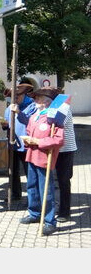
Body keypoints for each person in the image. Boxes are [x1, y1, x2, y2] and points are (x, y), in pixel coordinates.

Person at [14, 88, 64, 235]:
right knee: (32, 186)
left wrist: (38, 141)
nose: (34, 101)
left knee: (46, 191)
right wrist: (28, 139)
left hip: (44, 158)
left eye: (37, 98)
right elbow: (29, 130)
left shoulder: (55, 117)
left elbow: (58, 139)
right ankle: (34, 213)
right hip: (31, 155)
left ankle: (49, 221)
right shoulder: (36, 115)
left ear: (46, 102)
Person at [1, 83, 37, 201]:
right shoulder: (9, 107)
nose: (14, 99)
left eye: (17, 97)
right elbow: (8, 124)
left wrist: (19, 113)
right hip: (13, 144)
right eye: (12, 97)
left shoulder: (33, 106)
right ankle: (15, 194)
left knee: (30, 173)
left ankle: (33, 200)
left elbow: (31, 123)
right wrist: (4, 125)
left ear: (23, 95)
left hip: (26, 145)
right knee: (13, 171)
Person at [55, 92, 77, 222]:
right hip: (54, 150)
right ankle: (56, 208)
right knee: (54, 181)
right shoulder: (49, 109)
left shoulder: (64, 108)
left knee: (63, 181)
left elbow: (58, 123)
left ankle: (64, 212)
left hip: (66, 150)